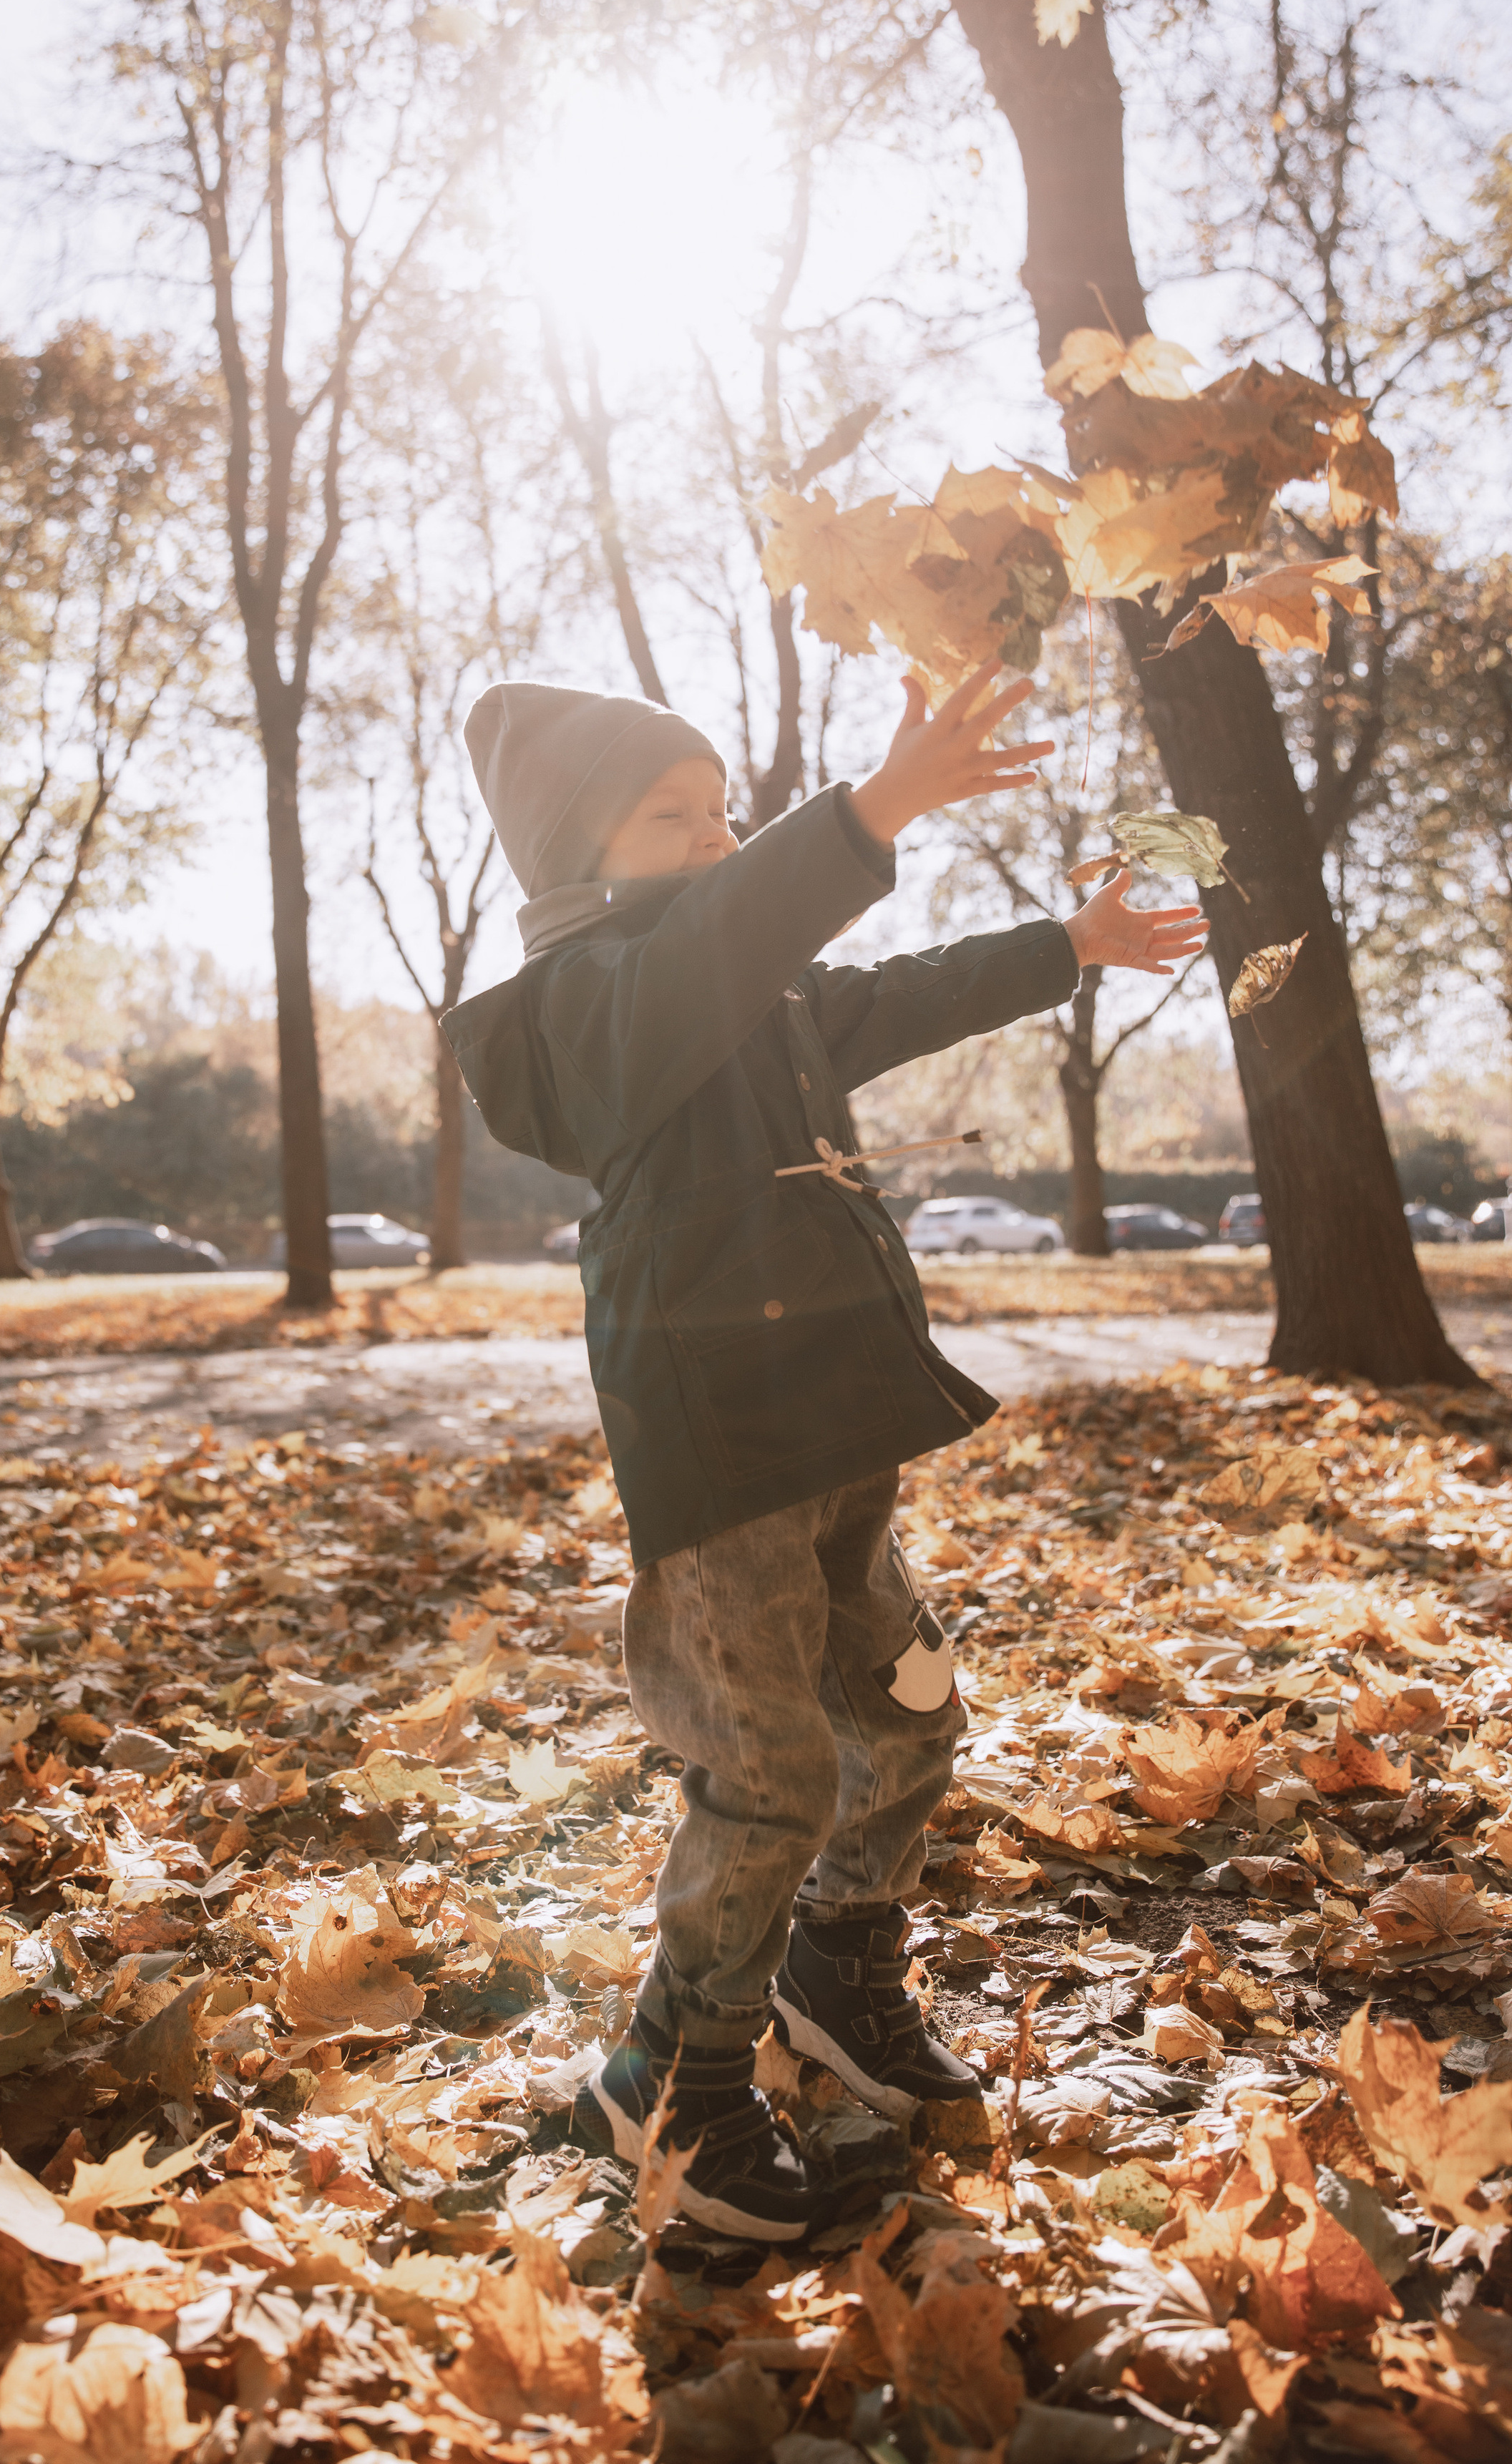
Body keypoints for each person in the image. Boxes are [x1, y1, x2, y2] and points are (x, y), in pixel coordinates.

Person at [441, 663, 1206, 2241]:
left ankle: (836, 1984)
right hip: (716, 1441)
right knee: (767, 1768)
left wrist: (1061, 948)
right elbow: (717, 953)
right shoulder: (582, 1012)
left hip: (834, 1409)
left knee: (905, 1711)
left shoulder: (751, 989)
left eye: (727, 808)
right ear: (576, 855)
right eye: (677, 815)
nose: (717, 838)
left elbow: (893, 995)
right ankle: (669, 2077)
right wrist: (863, 813)